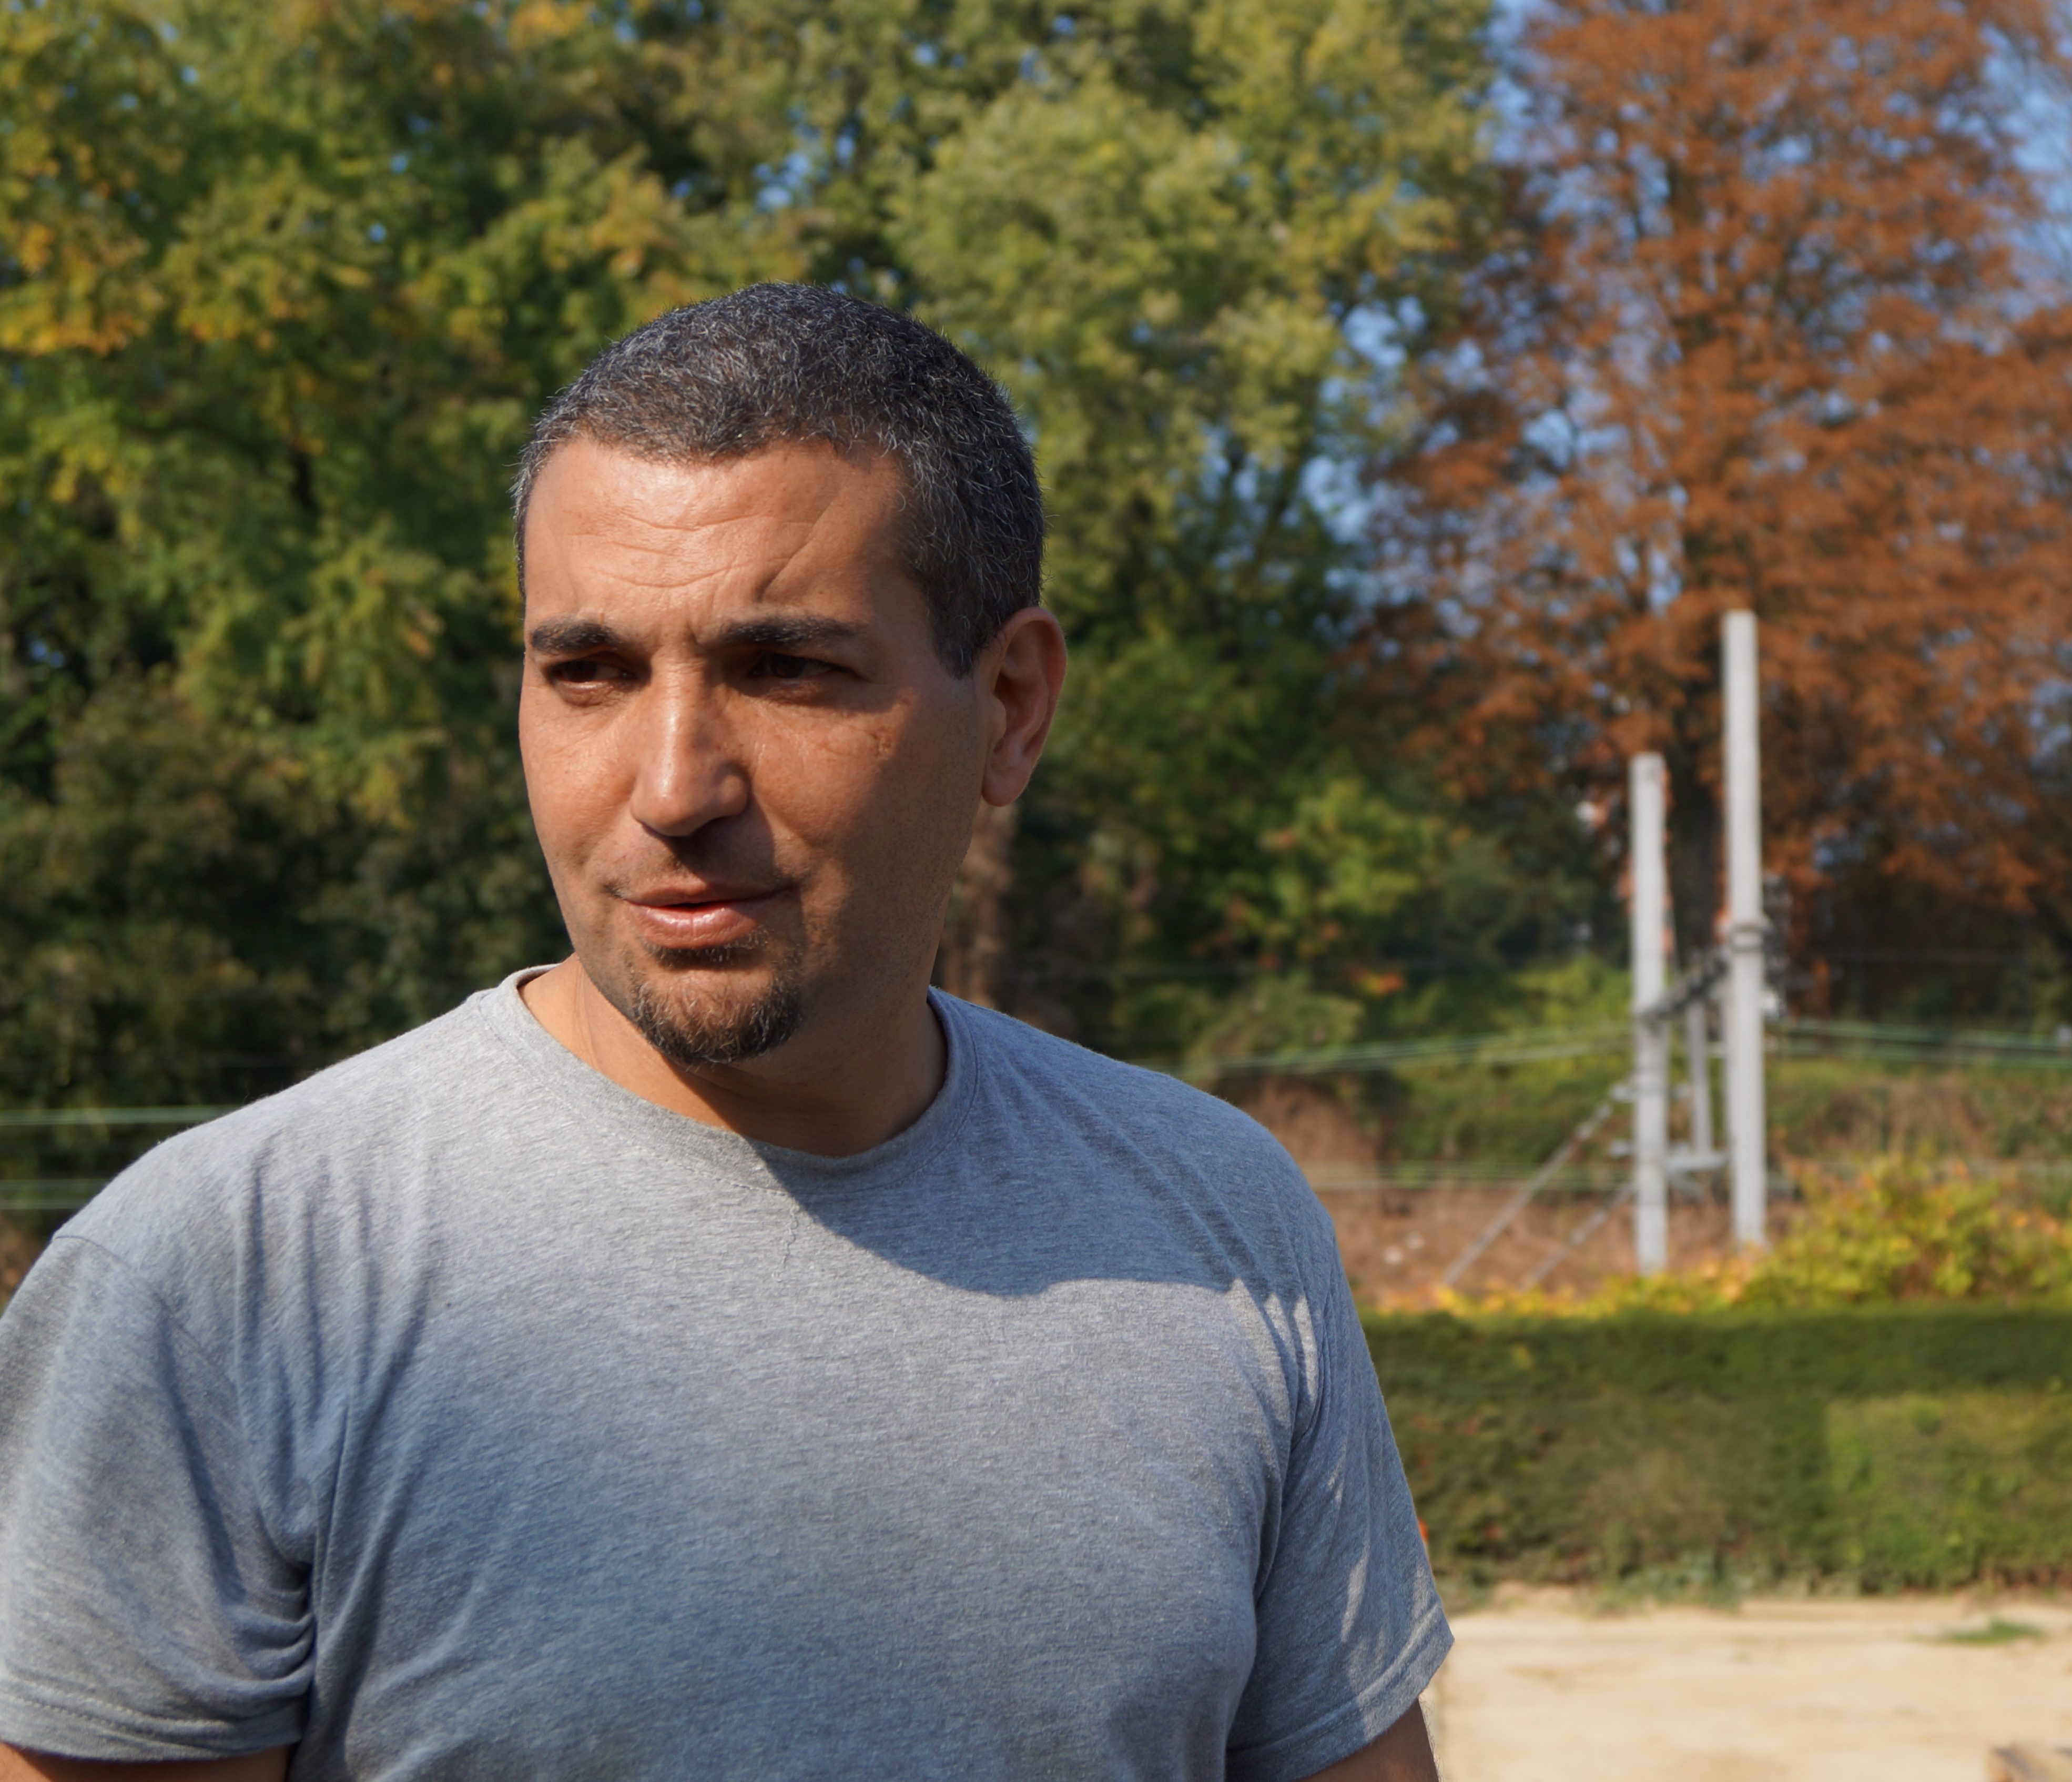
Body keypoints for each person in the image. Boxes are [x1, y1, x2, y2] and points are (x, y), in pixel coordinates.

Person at [0, 286, 1447, 1781]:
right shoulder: (223, 1278)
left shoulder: (1219, 1222)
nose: (673, 785)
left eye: (785, 669)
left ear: (1011, 705)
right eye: (589, 673)